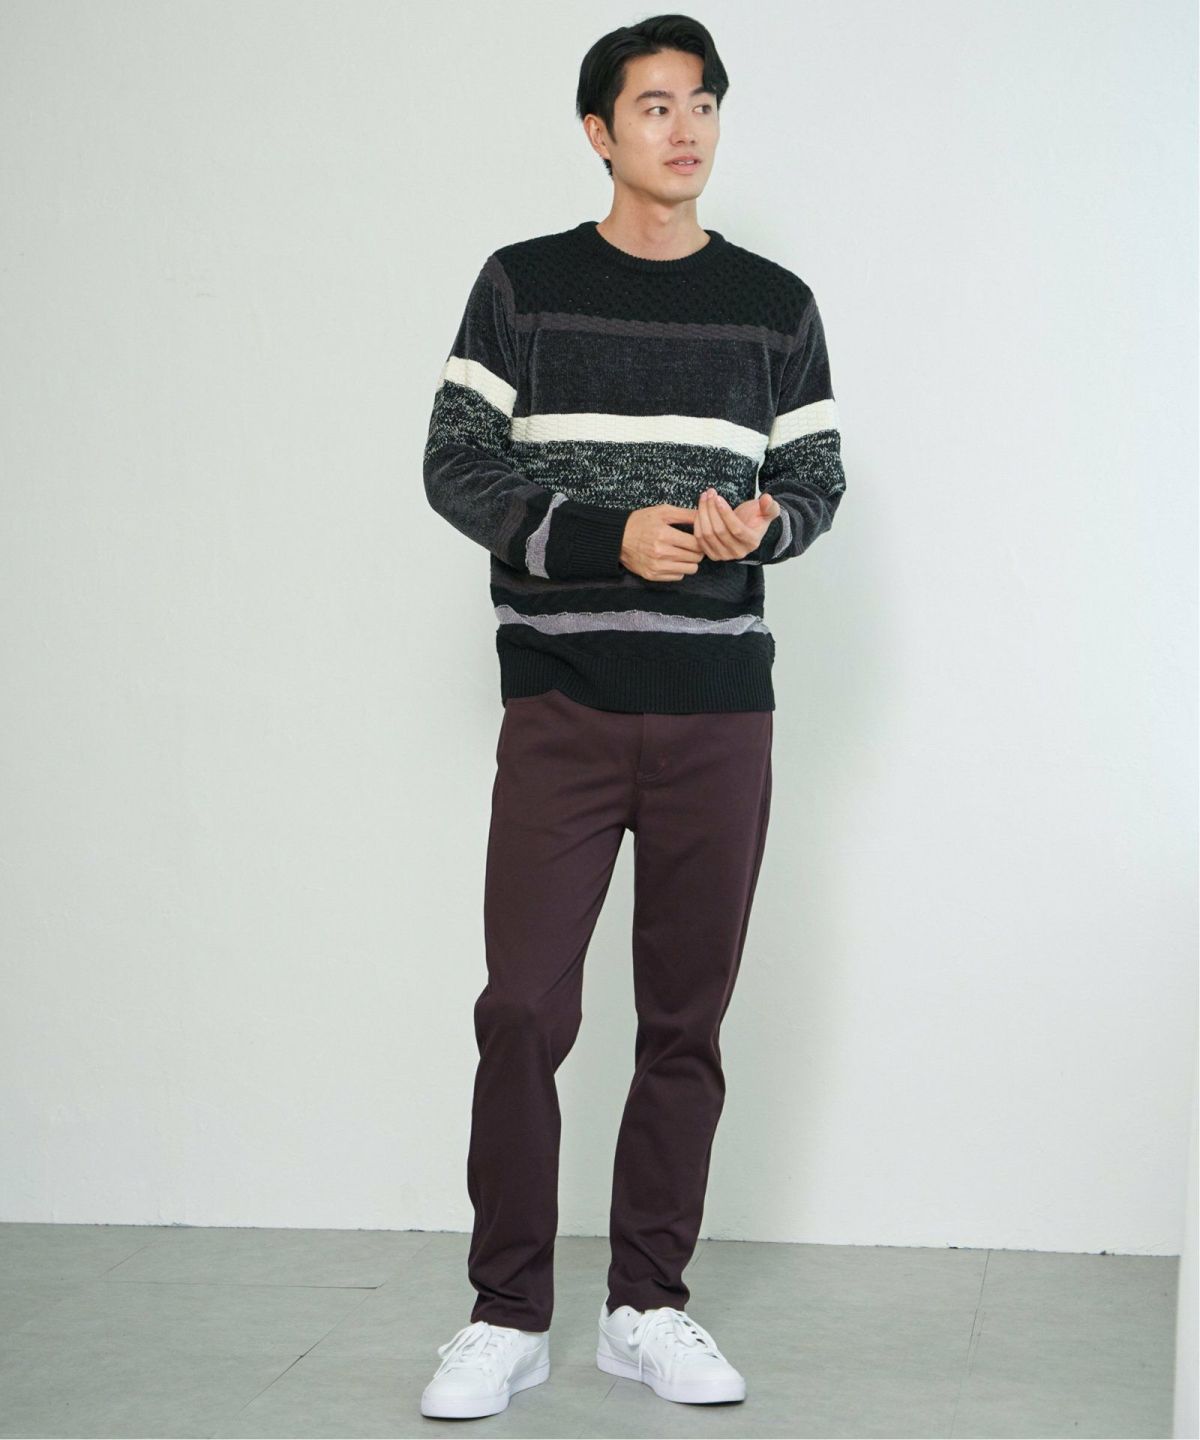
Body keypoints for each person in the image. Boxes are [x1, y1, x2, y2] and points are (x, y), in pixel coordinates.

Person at [418, 12, 847, 1421]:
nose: (686, 127)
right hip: (565, 705)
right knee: (522, 1008)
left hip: (720, 713)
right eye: (655, 105)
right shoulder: (522, 287)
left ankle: (646, 1307)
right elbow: (455, 465)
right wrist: (610, 537)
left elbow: (818, 480)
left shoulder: (775, 305)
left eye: (703, 102)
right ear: (600, 133)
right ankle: (505, 1316)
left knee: (686, 1021)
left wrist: (763, 523)